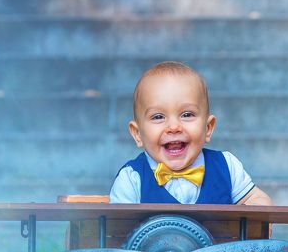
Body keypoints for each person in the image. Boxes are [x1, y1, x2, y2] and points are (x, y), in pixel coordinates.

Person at [110, 61, 271, 206]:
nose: (174, 127)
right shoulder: (132, 179)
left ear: (208, 128)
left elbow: (256, 199)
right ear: (137, 134)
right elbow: (118, 231)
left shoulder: (226, 167)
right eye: (158, 117)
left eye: (187, 115)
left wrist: (256, 214)